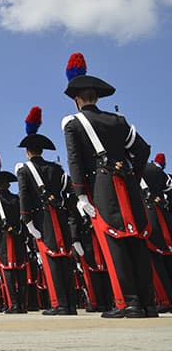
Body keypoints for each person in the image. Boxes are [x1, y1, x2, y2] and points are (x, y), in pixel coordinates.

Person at [62, 52, 155, 318]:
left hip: (104, 186)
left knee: (115, 242)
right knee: (136, 239)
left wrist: (81, 195)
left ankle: (129, 302)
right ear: (97, 97)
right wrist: (131, 175)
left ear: (78, 99)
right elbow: (143, 150)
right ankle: (148, 304)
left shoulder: (73, 123)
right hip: (128, 184)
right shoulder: (119, 120)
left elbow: (75, 162)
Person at [17, 106, 79, 316]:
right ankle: (71, 304)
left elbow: (24, 196)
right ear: (42, 151)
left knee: (52, 260)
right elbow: (69, 190)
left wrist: (27, 221)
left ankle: (60, 304)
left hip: (42, 219)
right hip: (60, 216)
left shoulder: (25, 170)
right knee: (64, 259)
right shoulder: (57, 169)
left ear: (27, 152)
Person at [0, 153, 27, 314]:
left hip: (2, 239)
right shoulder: (17, 199)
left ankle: (14, 304)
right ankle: (22, 305)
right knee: (21, 270)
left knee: (8, 272)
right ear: (9, 185)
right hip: (18, 236)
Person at [141, 153, 172, 313]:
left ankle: (165, 300)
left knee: (155, 260)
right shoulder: (161, 173)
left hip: (148, 215)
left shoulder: (138, 169)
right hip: (164, 216)